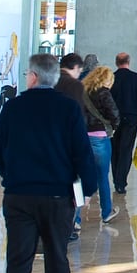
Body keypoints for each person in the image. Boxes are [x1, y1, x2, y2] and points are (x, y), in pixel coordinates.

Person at [0, 53, 105, 273]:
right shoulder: (67, 109)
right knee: (56, 254)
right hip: (58, 197)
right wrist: (88, 188)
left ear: (34, 77)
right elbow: (81, 153)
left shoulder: (13, 108)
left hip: (19, 197)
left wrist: (13, 176)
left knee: (18, 263)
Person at [56, 52, 91, 234]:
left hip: (50, 143)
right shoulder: (75, 86)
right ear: (76, 68)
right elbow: (79, 117)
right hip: (69, 143)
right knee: (73, 184)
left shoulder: (49, 81)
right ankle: (70, 224)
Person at [81, 63, 120, 222]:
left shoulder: (82, 92)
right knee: (102, 176)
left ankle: (75, 219)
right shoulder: (104, 93)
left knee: (80, 177)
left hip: (83, 137)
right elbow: (114, 113)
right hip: (99, 137)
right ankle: (106, 212)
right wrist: (115, 126)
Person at [109, 53, 137, 196]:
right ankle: (121, 182)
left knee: (114, 149)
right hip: (131, 118)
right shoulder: (135, 78)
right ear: (128, 61)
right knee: (126, 150)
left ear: (116, 63)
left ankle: (116, 179)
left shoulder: (111, 78)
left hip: (113, 120)